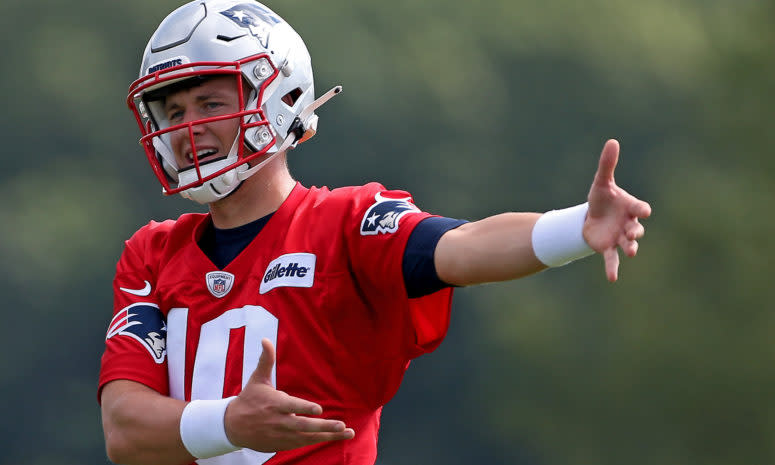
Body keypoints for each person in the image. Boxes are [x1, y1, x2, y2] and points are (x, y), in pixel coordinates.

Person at [97, 1, 652, 464]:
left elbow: (461, 248)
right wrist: (231, 421)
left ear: (277, 99)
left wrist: (574, 229)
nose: (187, 127)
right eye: (172, 110)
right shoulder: (151, 254)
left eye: (210, 102)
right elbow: (125, 430)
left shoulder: (344, 223)